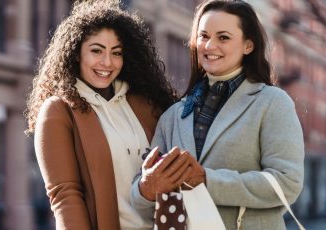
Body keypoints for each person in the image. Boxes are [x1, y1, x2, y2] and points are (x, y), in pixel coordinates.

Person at [131, 0, 305, 229]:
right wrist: (146, 187)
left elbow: (287, 183)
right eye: (203, 36)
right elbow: (140, 198)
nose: (210, 45)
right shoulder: (172, 116)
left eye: (223, 37)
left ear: (248, 46)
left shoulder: (273, 103)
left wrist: (206, 179)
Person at [24, 0, 177, 229]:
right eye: (96, 51)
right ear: (76, 53)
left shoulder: (145, 104)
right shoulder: (59, 111)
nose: (107, 62)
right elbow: (65, 196)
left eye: (116, 53)